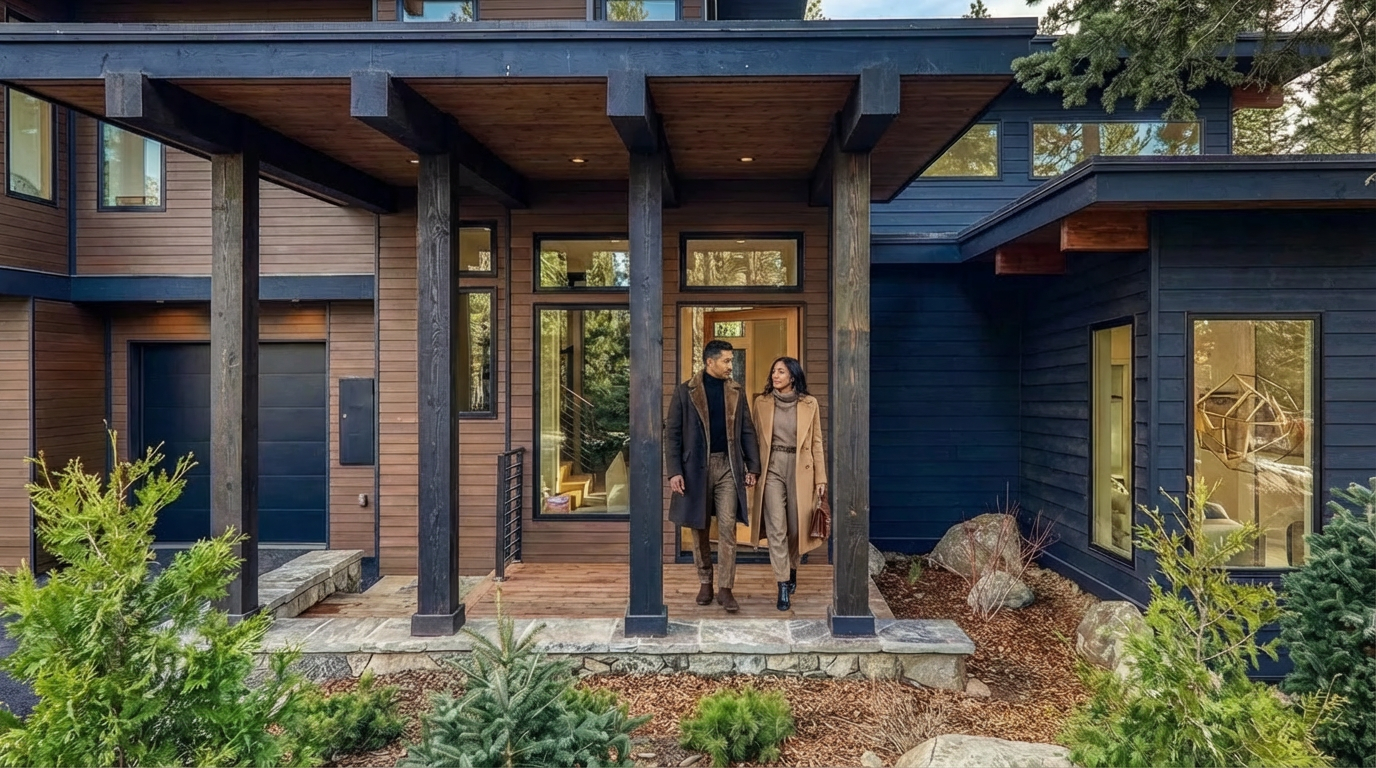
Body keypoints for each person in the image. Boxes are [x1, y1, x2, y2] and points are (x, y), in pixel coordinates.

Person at [665, 340, 760, 613]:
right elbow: (671, 434)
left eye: (731, 361)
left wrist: (752, 466)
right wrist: (674, 472)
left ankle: (726, 588)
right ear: (710, 362)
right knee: (700, 528)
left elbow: (747, 431)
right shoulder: (686, 392)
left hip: (729, 466)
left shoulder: (736, 391)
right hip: (696, 470)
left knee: (728, 529)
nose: (731, 366)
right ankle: (705, 581)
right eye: (727, 361)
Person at [747, 356, 827, 611]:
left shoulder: (809, 403)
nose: (775, 375)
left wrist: (820, 478)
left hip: (800, 468)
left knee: (796, 526)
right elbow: (754, 440)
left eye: (780, 371)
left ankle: (792, 568)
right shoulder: (761, 402)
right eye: (773, 371)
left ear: (792, 376)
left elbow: (816, 442)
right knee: (776, 527)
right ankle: (782, 583)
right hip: (772, 467)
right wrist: (752, 469)